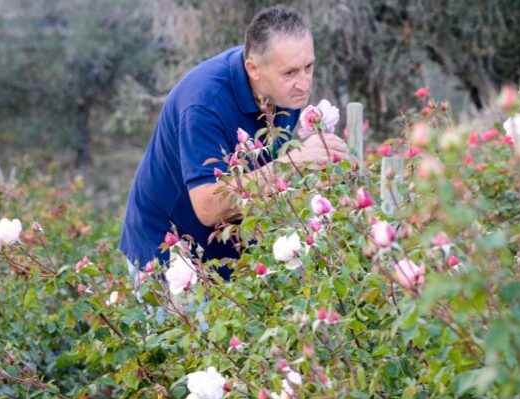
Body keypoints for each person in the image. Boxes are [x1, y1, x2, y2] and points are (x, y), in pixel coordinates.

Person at [118, 5, 348, 285]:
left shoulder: (283, 91)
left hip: (235, 256)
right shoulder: (203, 104)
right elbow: (208, 207)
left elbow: (266, 172)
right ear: (253, 68)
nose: (304, 84)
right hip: (169, 260)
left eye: (309, 67)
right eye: (290, 73)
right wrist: (295, 162)